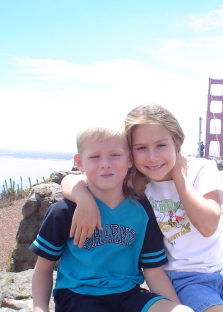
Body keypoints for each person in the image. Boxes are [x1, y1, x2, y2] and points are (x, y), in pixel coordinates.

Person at [61, 104, 223, 312]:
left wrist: (179, 174)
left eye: (161, 145)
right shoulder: (135, 182)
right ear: (131, 154)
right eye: (141, 148)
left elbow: (207, 225)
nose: (152, 157)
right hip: (182, 279)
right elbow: (69, 181)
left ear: (177, 142)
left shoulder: (201, 169)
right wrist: (83, 198)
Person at [30, 124, 192, 312]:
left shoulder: (143, 211)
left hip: (129, 295)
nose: (105, 163)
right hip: (79, 296)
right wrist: (39, 308)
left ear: (129, 159)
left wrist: (177, 306)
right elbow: (43, 269)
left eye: (115, 155)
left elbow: (153, 272)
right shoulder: (65, 212)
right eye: (94, 157)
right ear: (80, 162)